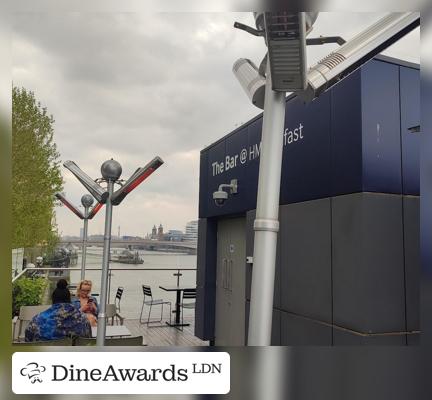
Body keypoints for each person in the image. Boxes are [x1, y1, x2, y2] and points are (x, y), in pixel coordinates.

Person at [25, 279, 91, 342]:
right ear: (69, 299)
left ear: (53, 299)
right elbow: (88, 340)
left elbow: (28, 341)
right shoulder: (83, 318)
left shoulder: (38, 319)